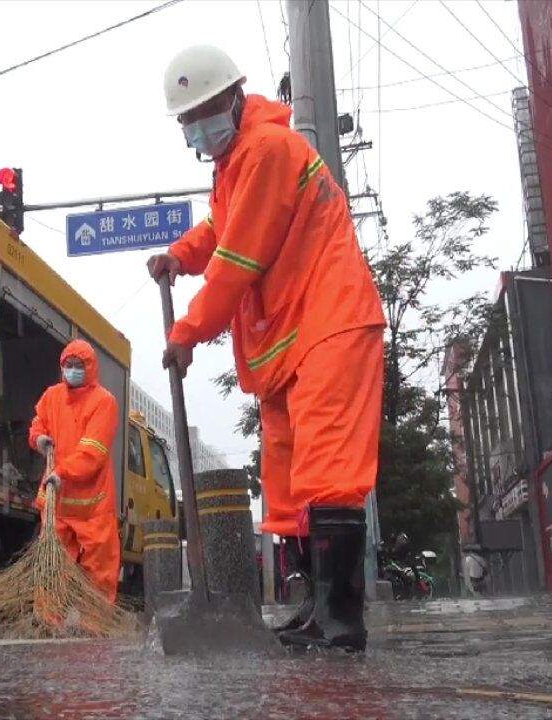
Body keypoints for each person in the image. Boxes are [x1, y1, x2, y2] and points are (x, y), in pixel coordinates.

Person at [148, 45, 386, 652]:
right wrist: (180, 254)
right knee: (290, 478)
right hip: (291, 337)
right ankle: (313, 608)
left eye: (203, 112)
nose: (197, 127)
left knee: (328, 472)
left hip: (329, 321)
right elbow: (219, 233)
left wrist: (187, 333)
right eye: (186, 121)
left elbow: (237, 260)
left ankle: (340, 621)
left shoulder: (269, 150)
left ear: (234, 96)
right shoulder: (235, 166)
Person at [29, 339, 121, 603]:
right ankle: (50, 621)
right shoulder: (52, 396)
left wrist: (61, 473)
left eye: (78, 365)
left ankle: (94, 625)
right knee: (53, 565)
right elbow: (39, 423)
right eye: (68, 365)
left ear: (89, 367)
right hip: (58, 503)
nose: (72, 370)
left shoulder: (104, 402)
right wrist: (38, 439)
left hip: (92, 506)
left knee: (99, 571)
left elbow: (92, 452)